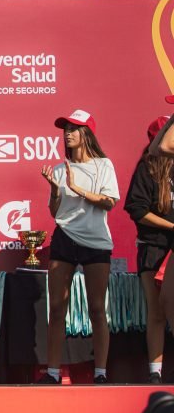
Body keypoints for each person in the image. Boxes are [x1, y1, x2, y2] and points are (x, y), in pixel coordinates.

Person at [38, 110, 119, 385]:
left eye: (74, 129)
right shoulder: (60, 169)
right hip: (64, 237)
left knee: (97, 308)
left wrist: (77, 188)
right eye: (66, 129)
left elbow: (109, 202)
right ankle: (52, 373)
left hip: (96, 242)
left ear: (87, 134)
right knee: (56, 307)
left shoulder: (103, 165)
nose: (67, 133)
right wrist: (55, 190)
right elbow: (55, 212)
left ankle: (100, 373)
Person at [125, 116, 174, 384]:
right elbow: (137, 210)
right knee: (156, 312)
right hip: (154, 246)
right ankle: (155, 372)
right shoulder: (148, 168)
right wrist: (171, 225)